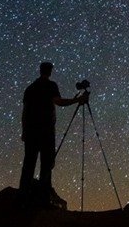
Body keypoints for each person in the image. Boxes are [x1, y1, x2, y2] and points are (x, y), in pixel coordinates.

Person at [19, 61, 88, 201]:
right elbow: (59, 102)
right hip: (46, 131)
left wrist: (24, 131)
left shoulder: (30, 88)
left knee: (28, 164)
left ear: (40, 71)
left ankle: (23, 197)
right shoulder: (51, 86)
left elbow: (25, 112)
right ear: (49, 71)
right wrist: (77, 101)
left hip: (31, 132)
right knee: (46, 164)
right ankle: (43, 199)